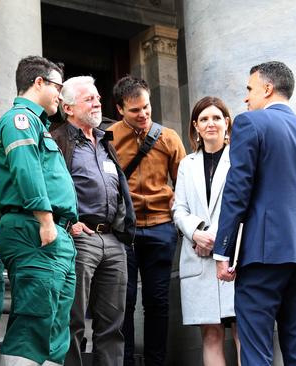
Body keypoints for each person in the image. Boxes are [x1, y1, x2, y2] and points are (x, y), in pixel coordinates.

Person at [214, 61, 296, 365]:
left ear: (267, 89)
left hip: (263, 256)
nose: (245, 98)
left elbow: (237, 190)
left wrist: (223, 251)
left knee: (256, 350)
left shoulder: (249, 124)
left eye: (249, 89)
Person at [0, 55, 77, 366]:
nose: (60, 94)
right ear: (38, 82)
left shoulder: (38, 125)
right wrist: (45, 219)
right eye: (57, 86)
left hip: (57, 234)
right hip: (35, 229)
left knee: (55, 329)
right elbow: (26, 171)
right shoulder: (20, 120)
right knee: (33, 321)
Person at [52, 76, 135, 366]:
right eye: (89, 99)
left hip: (112, 239)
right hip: (79, 236)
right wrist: (67, 222)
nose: (98, 103)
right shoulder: (57, 139)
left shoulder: (103, 141)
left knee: (113, 324)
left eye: (98, 98)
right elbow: (49, 185)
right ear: (69, 108)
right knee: (72, 319)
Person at [107, 76, 186, 366]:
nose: (143, 114)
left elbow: (184, 183)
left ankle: (156, 362)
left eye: (147, 107)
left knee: (157, 302)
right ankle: (125, 361)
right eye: (135, 110)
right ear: (119, 109)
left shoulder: (169, 138)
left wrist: (179, 205)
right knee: (123, 303)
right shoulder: (109, 138)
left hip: (161, 228)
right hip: (123, 232)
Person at [172, 96, 240, 366]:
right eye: (203, 119)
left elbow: (246, 204)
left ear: (226, 123)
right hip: (198, 257)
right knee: (210, 333)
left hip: (234, 255)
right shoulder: (186, 165)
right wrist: (197, 232)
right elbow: (179, 209)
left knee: (242, 330)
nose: (210, 124)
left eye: (216, 118)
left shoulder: (239, 158)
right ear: (196, 127)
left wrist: (219, 239)